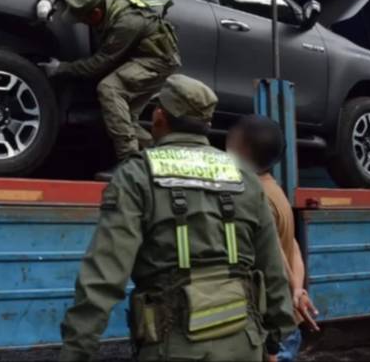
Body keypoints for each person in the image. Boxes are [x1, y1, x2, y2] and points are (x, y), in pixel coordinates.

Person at [59, 74, 296, 362]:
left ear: (159, 116)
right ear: (207, 125)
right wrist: (274, 338)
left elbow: (103, 275)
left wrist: (77, 350)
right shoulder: (244, 176)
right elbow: (272, 266)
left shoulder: (138, 175)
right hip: (244, 343)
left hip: (172, 346)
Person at [36, 0, 181, 165]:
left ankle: (128, 164)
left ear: (96, 14)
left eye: (82, 20)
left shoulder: (126, 23)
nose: (81, 23)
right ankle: (165, 160)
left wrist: (60, 69)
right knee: (123, 118)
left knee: (110, 89)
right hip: (138, 53)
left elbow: (98, 64)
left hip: (156, 60)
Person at [227, 115, 320, 362]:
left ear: (242, 150)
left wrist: (292, 292)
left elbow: (275, 257)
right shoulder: (275, 190)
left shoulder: (256, 196)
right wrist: (298, 290)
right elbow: (294, 248)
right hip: (288, 317)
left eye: (230, 144)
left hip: (273, 323)